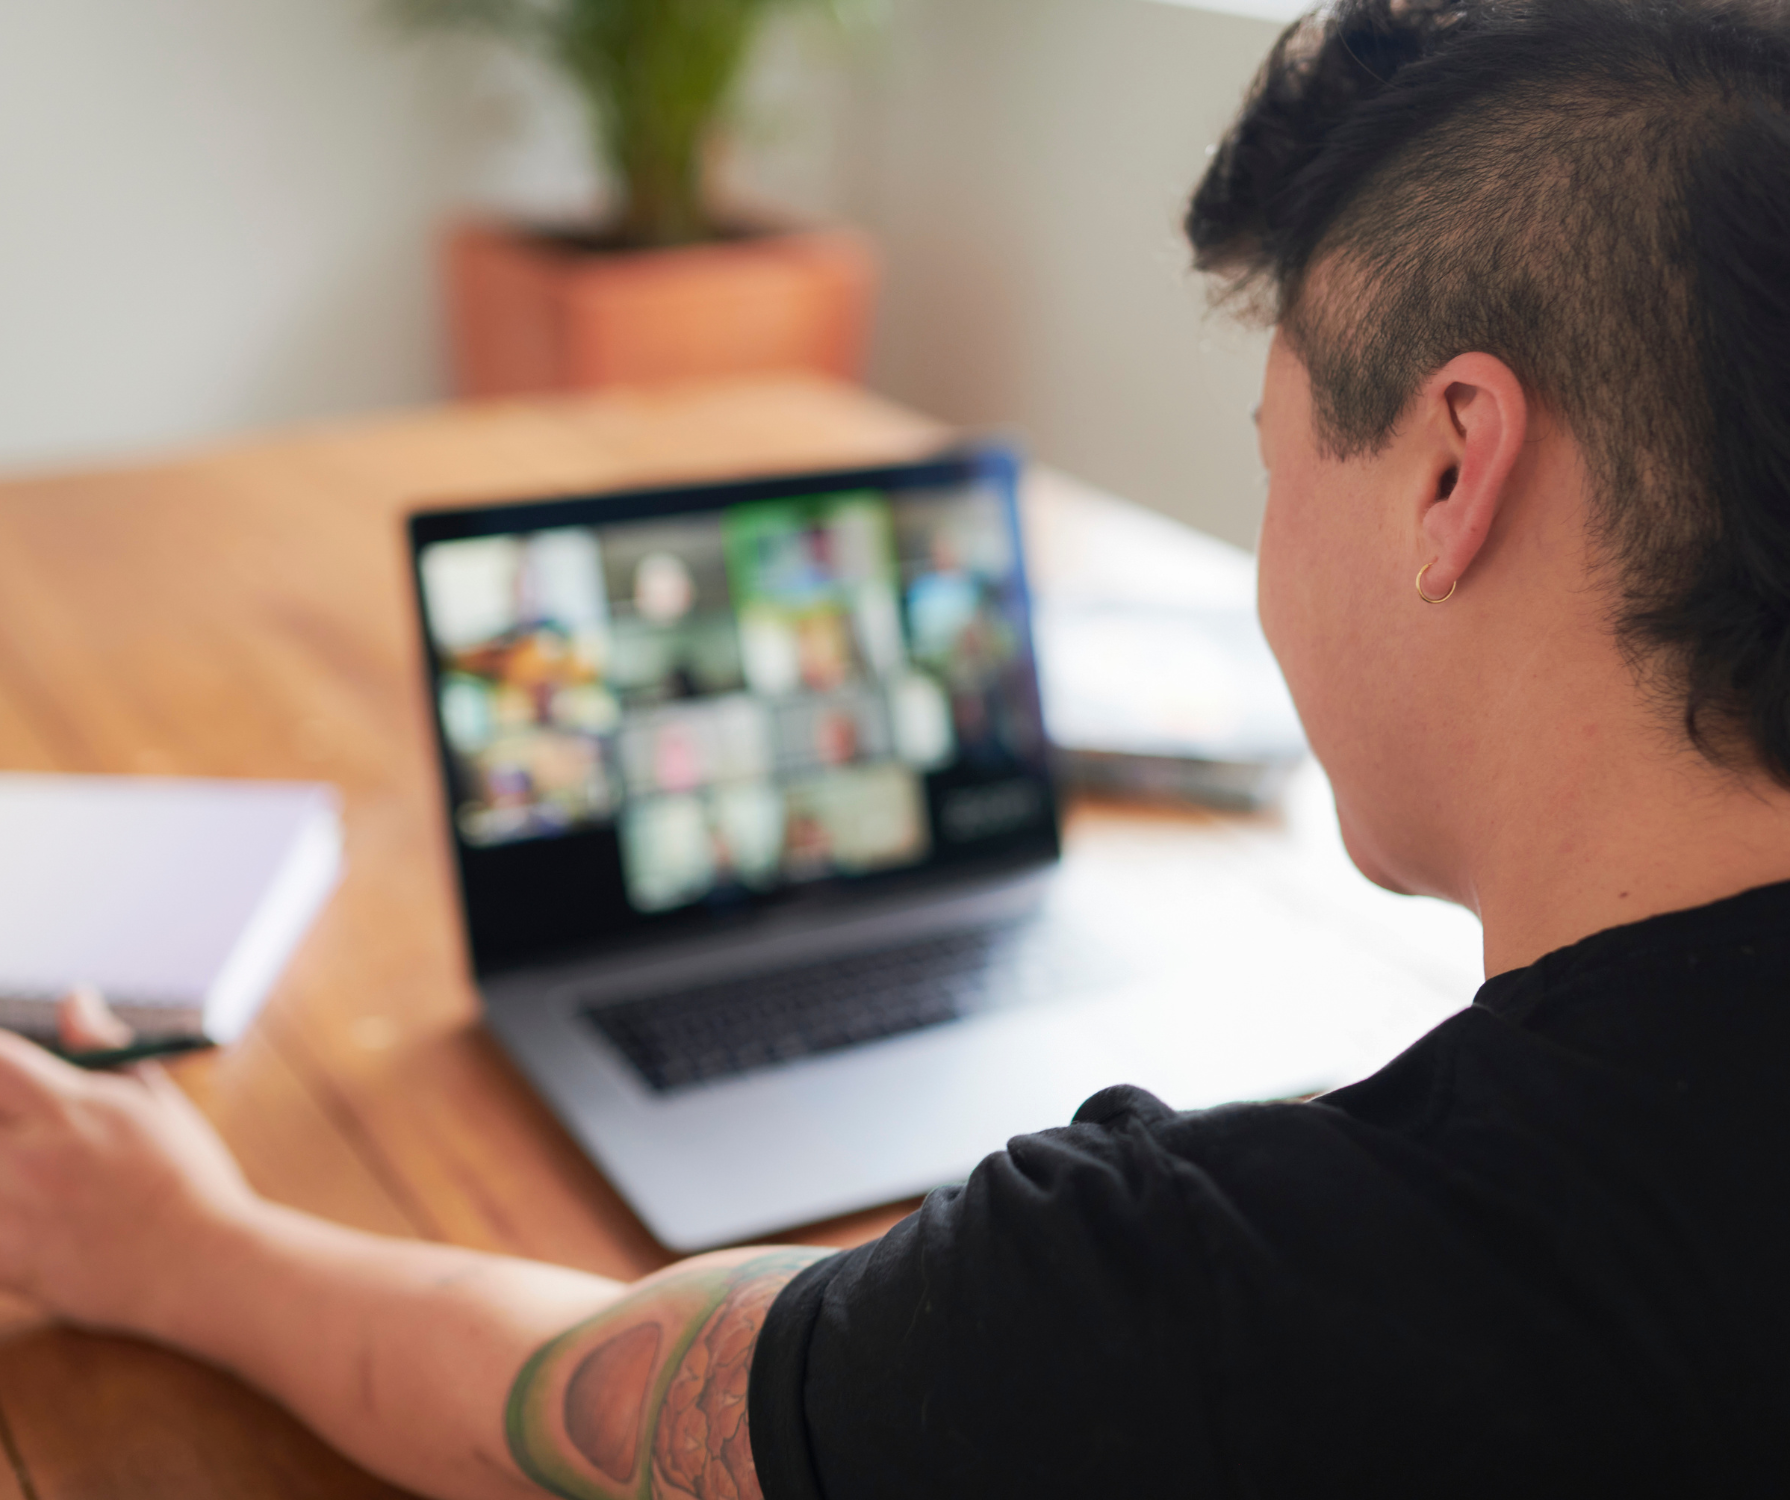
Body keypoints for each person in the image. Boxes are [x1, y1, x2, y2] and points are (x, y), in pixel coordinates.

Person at [6, 0, 1790, 1492]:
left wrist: (180, 1243)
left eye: (1272, 451)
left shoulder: (1188, 1300)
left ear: (1449, 466)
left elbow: (592, 1401)